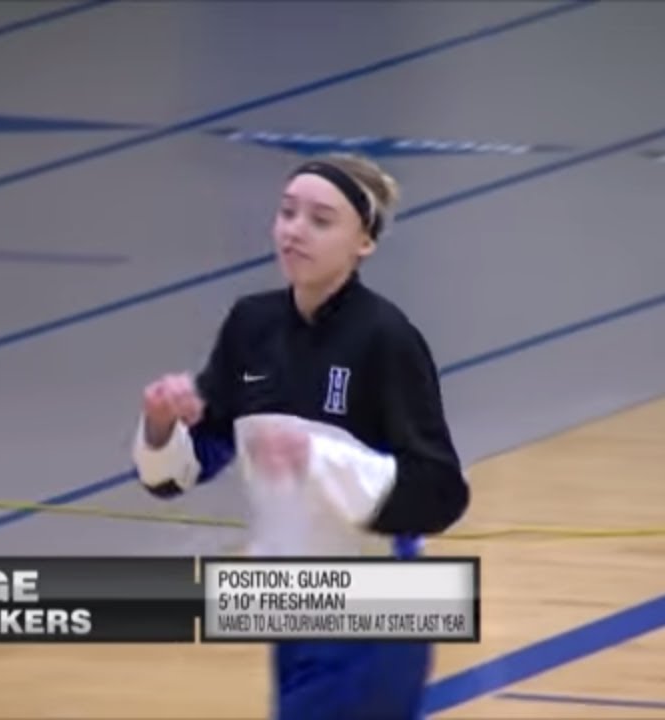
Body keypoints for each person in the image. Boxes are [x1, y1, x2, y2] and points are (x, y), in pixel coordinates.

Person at [131, 153, 470, 719]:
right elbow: (184, 468)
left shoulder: (386, 338)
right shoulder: (251, 325)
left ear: (364, 242)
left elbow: (438, 491)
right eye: (287, 213)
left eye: (320, 219)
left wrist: (318, 460)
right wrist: (163, 424)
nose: (295, 229)